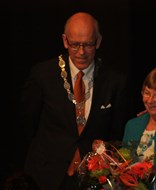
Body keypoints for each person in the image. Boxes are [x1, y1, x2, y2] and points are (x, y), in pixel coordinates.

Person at [18, 12, 131, 190]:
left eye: (88, 44)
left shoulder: (115, 81)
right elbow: (27, 125)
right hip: (45, 176)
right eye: (75, 44)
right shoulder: (42, 75)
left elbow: (116, 133)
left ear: (98, 41)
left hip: (92, 179)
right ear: (65, 41)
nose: (81, 52)